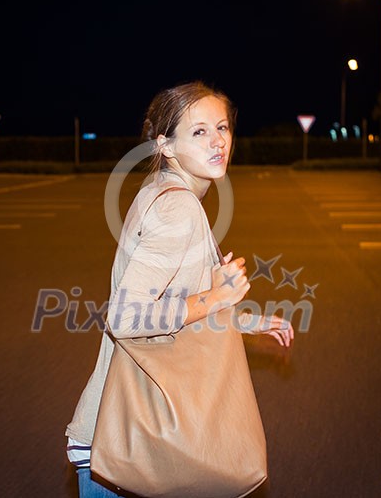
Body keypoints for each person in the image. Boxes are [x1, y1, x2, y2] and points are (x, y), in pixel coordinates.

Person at [65, 80, 294, 497]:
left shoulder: (161, 192)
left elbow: (173, 303)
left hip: (121, 435)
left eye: (222, 128)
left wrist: (243, 318)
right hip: (128, 441)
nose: (218, 141)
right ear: (166, 145)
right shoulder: (178, 208)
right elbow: (125, 317)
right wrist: (216, 296)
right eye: (199, 131)